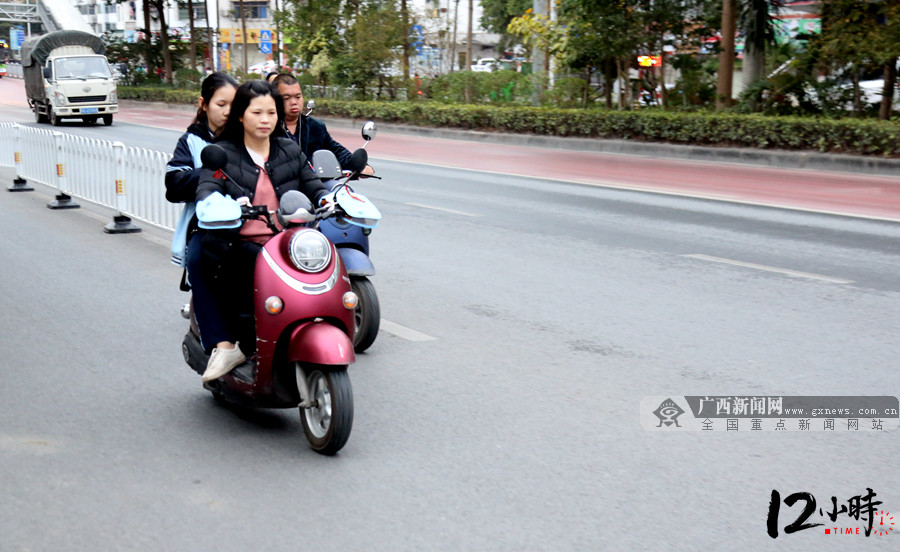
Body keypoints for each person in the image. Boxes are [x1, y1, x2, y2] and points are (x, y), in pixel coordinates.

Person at [186, 80, 332, 382]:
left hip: (288, 242)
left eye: (271, 113)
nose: (265, 120)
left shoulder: (289, 149)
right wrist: (217, 204)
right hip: (241, 243)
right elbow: (208, 188)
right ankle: (231, 346)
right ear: (241, 115)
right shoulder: (221, 154)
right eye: (257, 113)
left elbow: (313, 184)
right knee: (238, 266)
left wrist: (328, 198)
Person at [165, 71, 238, 267]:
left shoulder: (246, 139)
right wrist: (212, 174)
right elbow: (174, 184)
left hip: (243, 227)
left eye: (234, 105)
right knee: (199, 275)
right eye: (221, 105)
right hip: (203, 227)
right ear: (204, 104)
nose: (227, 111)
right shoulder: (191, 140)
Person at [271, 73, 374, 175]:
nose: (294, 102)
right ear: (275, 100)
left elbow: (335, 150)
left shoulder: (314, 126)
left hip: (315, 185)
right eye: (287, 98)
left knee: (339, 190)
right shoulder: (269, 129)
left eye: (298, 97)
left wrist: (361, 166)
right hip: (281, 187)